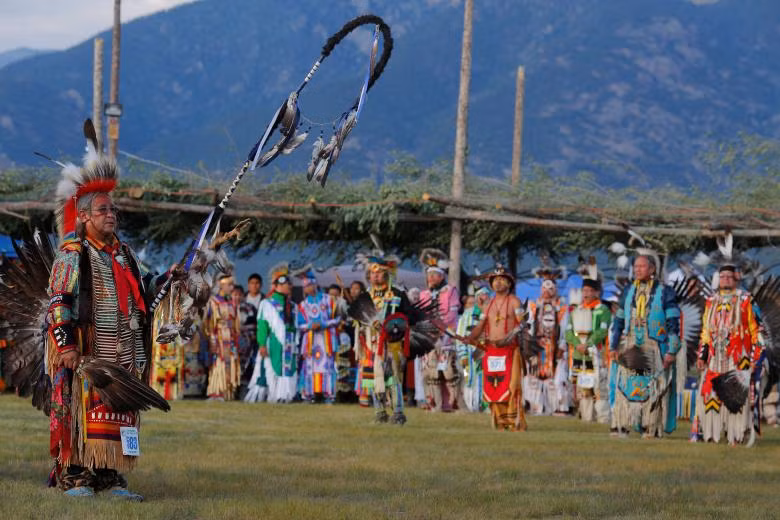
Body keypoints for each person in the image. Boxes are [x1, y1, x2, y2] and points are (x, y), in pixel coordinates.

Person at [43, 121, 175, 499]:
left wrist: (169, 277)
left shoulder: (124, 254)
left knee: (119, 413)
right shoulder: (73, 253)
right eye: (103, 210)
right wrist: (66, 346)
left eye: (113, 209)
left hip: (124, 352)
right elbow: (58, 302)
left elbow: (145, 289)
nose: (111, 215)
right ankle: (76, 477)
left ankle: (110, 478)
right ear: (84, 216)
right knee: (82, 412)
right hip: (87, 350)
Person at [609, 255, 681, 438]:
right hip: (630, 345)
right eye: (636, 266)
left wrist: (672, 350)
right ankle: (621, 424)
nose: (638, 270)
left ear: (652, 269)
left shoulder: (665, 292)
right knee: (625, 385)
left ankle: (651, 426)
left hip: (655, 347)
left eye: (642, 266)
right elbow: (618, 321)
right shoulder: (628, 290)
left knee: (653, 387)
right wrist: (613, 346)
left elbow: (673, 323)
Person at [695, 264, 763, 445]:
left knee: (735, 397)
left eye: (729, 276)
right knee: (710, 395)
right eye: (722, 276)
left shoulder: (746, 300)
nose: (725, 279)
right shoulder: (711, 301)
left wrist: (755, 358)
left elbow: (757, 331)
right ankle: (711, 433)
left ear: (736, 278)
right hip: (715, 357)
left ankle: (736, 434)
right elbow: (706, 331)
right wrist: (702, 355)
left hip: (738, 357)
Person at [352, 250, 417, 424]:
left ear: (387, 274)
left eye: (379, 272)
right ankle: (380, 413)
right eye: (372, 272)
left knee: (393, 378)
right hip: (370, 344)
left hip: (392, 343)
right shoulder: (366, 296)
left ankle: (398, 413)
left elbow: (410, 317)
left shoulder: (397, 294)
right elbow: (357, 319)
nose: (375, 276)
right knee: (374, 378)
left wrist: (394, 326)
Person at [464, 265, 527, 431]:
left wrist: (509, 337)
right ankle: (500, 421)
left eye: (502, 279)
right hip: (491, 351)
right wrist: (470, 338)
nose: (498, 283)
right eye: (495, 280)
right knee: (493, 386)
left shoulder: (514, 301)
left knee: (512, 386)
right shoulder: (488, 305)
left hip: (510, 350)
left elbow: (523, 324)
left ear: (509, 283)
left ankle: (514, 421)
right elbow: (480, 326)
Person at [245, 263, 298, 403]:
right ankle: (272, 395)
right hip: (274, 343)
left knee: (288, 369)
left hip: (289, 343)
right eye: (287, 284)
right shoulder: (267, 304)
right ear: (278, 285)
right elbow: (262, 326)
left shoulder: (293, 306)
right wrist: (262, 344)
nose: (290, 286)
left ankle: (286, 395)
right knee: (273, 368)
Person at [419, 249, 464, 412]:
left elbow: (451, 315)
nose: (431, 278)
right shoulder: (424, 294)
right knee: (432, 373)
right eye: (429, 275)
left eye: (435, 275)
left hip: (447, 338)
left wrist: (440, 330)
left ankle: (455, 404)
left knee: (449, 372)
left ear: (442, 277)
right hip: (429, 339)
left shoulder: (450, 291)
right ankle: (436, 405)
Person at [565, 278, 611, 422]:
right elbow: (568, 332)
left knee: (599, 387)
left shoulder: (602, 310)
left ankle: (603, 418)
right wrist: (577, 344)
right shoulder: (576, 311)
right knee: (584, 388)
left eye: (590, 291)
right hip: (579, 354)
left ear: (597, 293)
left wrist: (588, 344)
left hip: (596, 354)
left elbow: (602, 331)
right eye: (584, 290)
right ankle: (587, 418)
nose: (587, 293)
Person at [525, 268, 568, 415]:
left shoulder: (561, 308)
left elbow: (565, 328)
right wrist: (528, 345)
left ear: (555, 290)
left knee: (554, 377)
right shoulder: (533, 306)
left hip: (554, 347)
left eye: (551, 289)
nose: (547, 292)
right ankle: (535, 406)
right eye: (544, 288)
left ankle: (554, 407)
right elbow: (529, 326)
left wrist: (562, 346)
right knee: (534, 376)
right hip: (536, 347)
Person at [295, 268, 341, 403]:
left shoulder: (329, 300)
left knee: (328, 366)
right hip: (311, 342)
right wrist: (310, 326)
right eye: (305, 286)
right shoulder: (303, 305)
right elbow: (299, 324)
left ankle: (329, 395)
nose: (307, 288)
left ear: (315, 284)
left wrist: (323, 324)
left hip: (326, 340)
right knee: (310, 367)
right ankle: (308, 395)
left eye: (309, 285)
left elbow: (338, 318)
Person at [203, 275, 241, 400]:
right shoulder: (213, 302)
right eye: (229, 285)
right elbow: (208, 323)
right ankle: (217, 391)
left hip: (231, 339)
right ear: (221, 285)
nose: (232, 287)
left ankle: (227, 392)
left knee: (231, 362)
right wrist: (212, 339)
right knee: (218, 362)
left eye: (232, 285)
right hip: (218, 337)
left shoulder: (232, 302)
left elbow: (236, 323)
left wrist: (236, 337)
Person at [456, 284, 491, 412]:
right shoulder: (468, 314)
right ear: (477, 298)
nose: (485, 298)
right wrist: (463, 355)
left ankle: (486, 405)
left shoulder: (492, 313)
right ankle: (472, 407)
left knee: (488, 378)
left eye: (487, 295)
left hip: (488, 353)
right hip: (470, 355)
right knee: (469, 378)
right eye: (482, 295)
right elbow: (460, 336)